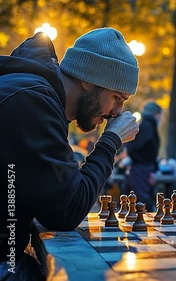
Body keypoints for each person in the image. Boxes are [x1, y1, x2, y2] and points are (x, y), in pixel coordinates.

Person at [0, 27, 140, 280]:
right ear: (87, 79)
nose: (117, 112)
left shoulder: (37, 96)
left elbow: (56, 201)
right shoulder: (31, 101)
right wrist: (111, 141)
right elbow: (66, 211)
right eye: (117, 97)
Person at [124, 102, 162, 212]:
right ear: (157, 114)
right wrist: (140, 160)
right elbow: (133, 146)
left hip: (141, 166)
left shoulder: (145, 124)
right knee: (142, 198)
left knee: (135, 197)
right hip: (141, 167)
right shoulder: (147, 126)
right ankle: (146, 223)